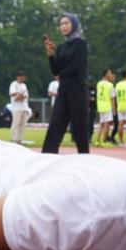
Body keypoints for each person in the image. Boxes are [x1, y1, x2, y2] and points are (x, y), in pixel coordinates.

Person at [41, 13, 90, 153]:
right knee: (55, 124)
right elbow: (55, 70)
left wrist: (61, 75)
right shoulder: (62, 47)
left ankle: (84, 156)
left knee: (79, 128)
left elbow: (77, 67)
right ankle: (47, 156)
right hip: (63, 90)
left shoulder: (81, 44)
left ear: (74, 25)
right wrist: (51, 55)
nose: (63, 26)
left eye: (66, 23)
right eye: (61, 24)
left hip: (78, 89)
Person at [94, 69, 117, 148]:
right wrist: (114, 109)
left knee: (101, 124)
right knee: (106, 124)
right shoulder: (110, 85)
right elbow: (112, 98)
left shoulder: (99, 83)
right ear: (106, 74)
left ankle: (97, 140)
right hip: (107, 106)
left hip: (100, 105)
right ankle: (103, 141)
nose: (111, 75)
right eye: (110, 73)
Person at [7, 72, 31, 146]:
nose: (23, 78)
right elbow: (12, 93)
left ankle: (20, 139)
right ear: (18, 77)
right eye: (22, 77)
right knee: (16, 123)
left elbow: (26, 96)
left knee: (23, 124)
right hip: (17, 108)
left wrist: (20, 95)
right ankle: (13, 138)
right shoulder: (14, 84)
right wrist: (19, 95)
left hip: (24, 107)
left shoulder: (24, 85)